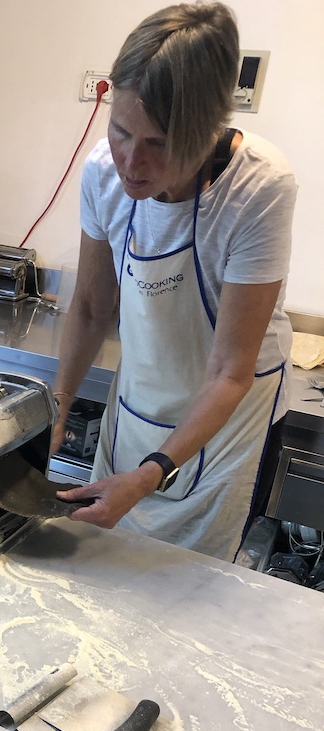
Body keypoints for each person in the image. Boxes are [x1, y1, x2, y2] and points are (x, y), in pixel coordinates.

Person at [52, 2, 297, 562]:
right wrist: (57, 408)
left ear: (207, 130)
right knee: (103, 565)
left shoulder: (258, 189)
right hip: (138, 401)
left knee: (193, 589)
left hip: (228, 424)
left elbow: (230, 371)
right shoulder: (102, 173)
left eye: (159, 143)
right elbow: (90, 308)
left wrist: (150, 474)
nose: (130, 163)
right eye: (121, 132)